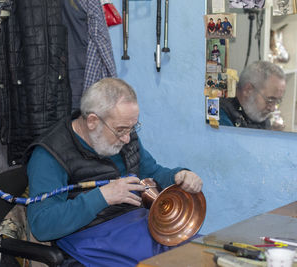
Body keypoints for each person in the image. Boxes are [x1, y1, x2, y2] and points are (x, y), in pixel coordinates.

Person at [26, 78, 203, 266]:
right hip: (91, 238)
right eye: (121, 130)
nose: (127, 138)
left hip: (138, 223)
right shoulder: (49, 155)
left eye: (132, 127)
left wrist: (178, 176)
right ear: (93, 121)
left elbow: (152, 172)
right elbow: (42, 225)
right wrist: (103, 196)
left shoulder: (124, 134)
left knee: (204, 253)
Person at [219, 61, 286, 129]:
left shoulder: (260, 117)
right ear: (248, 90)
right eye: (270, 100)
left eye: (277, 101)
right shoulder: (221, 120)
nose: (273, 109)